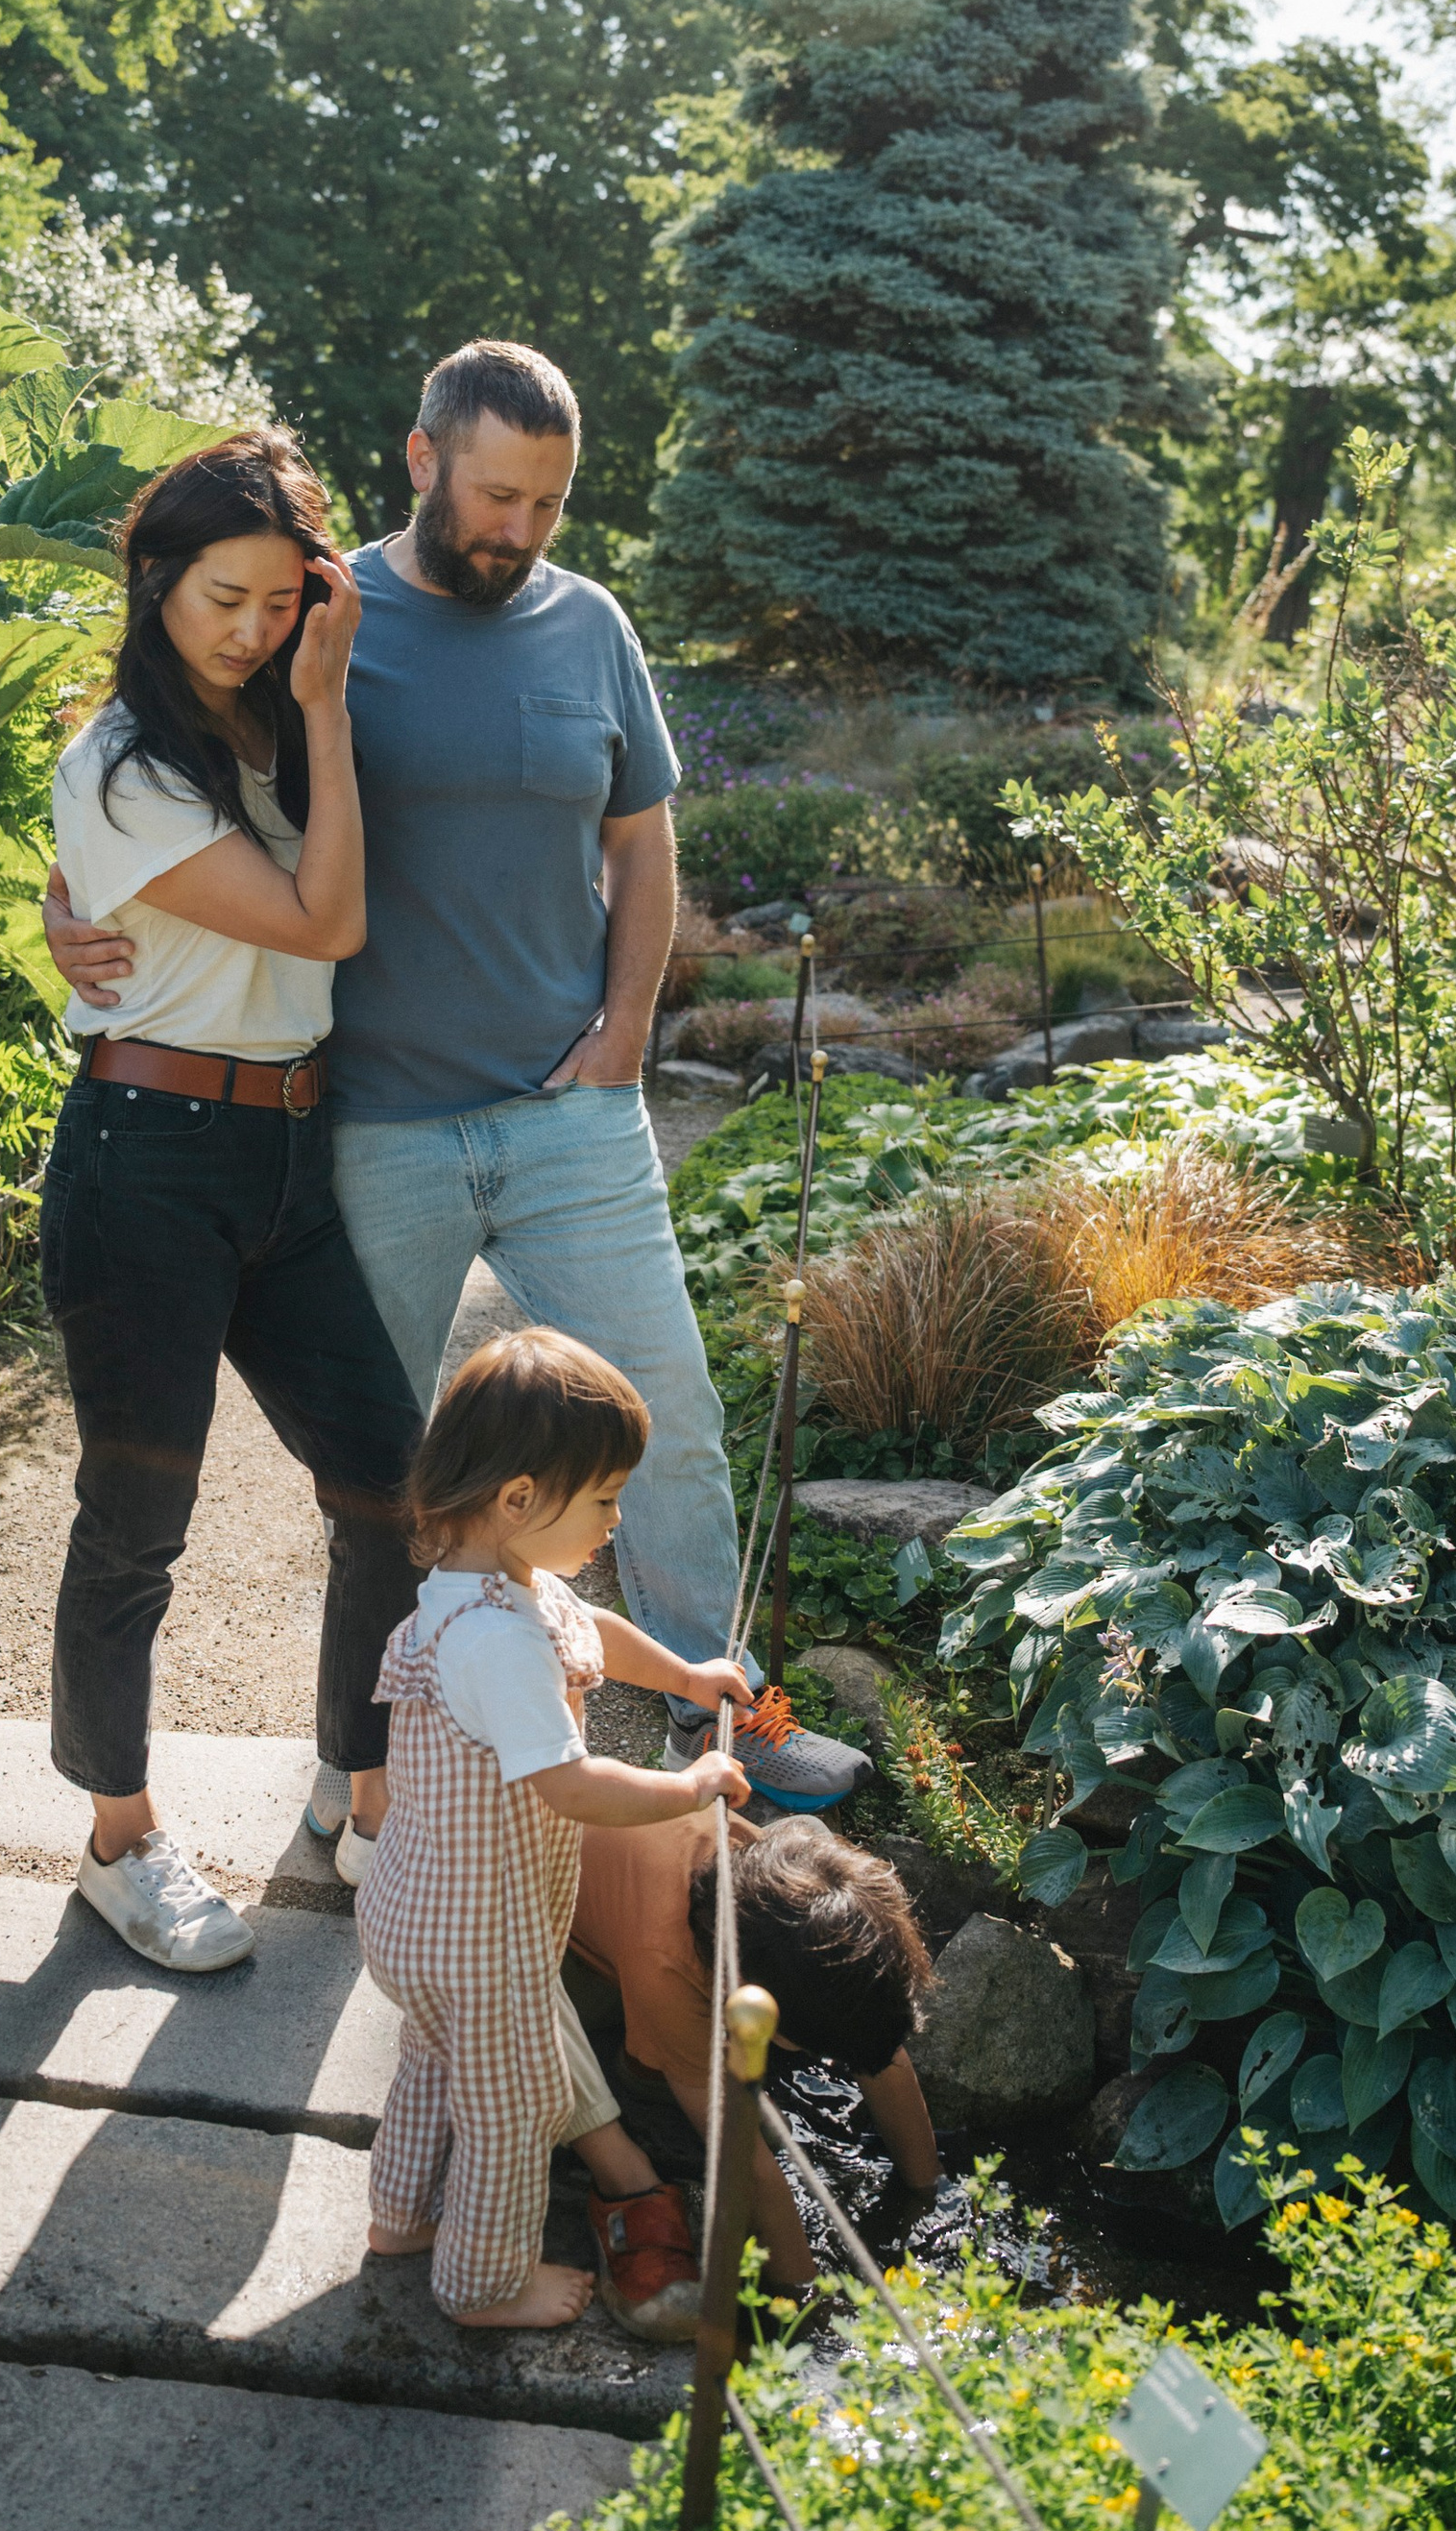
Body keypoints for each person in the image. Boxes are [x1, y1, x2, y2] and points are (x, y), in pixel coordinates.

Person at [44, 337, 867, 1827]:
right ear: (422, 461)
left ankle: (713, 1725)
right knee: (390, 1482)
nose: (519, 530)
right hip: (369, 1128)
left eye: (547, 505)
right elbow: (169, 769)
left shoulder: (589, 626)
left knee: (661, 1403)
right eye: (496, 495)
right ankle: (371, 1767)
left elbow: (640, 837)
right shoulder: (314, 616)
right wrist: (63, 898)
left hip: (571, 1112)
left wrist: (628, 1020)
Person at [41, 431, 425, 1972]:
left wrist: (315, 706)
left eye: (282, 599)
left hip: (288, 1154)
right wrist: (325, 709)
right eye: (222, 595)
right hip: (148, 1157)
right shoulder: (119, 763)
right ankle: (120, 1842)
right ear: (155, 582)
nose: (253, 627)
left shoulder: (279, 730)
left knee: (389, 1478)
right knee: (139, 1513)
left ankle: (359, 1781)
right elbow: (325, 918)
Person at [356, 1325, 754, 2334]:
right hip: (479, 1940)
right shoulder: (494, 1640)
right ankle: (484, 2283)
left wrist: (684, 1672)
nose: (618, 1519)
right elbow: (571, 1785)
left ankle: (399, 2215)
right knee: (509, 2112)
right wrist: (691, 1786)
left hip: (419, 1913)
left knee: (432, 2061)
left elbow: (595, 1632)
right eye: (607, 1496)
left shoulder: (493, 1586)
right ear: (520, 1496)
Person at [569, 1804, 940, 2296]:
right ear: (750, 1994)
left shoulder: (785, 1872)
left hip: (643, 1897)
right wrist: (804, 2301)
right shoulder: (665, 1963)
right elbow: (748, 2162)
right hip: (563, 1944)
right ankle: (641, 2063)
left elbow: (879, 2051)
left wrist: (927, 2196)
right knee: (650, 2088)